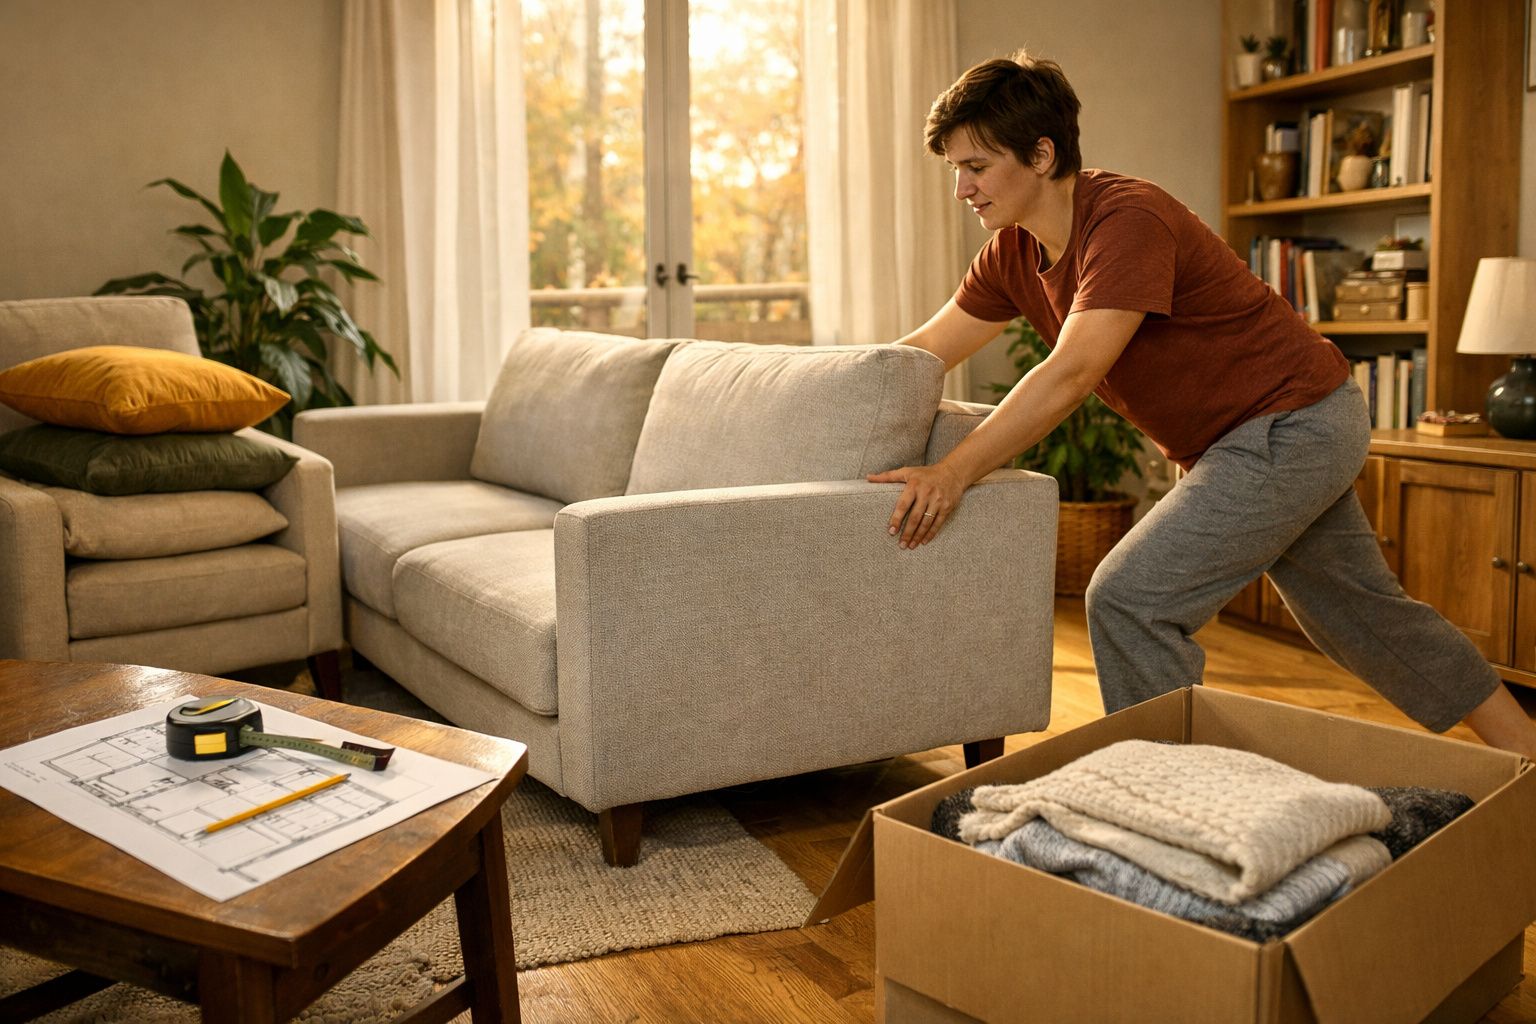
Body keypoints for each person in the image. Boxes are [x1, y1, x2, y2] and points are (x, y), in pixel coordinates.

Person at [870, 50, 1536, 758]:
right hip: (1252, 438)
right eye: (955, 170)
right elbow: (922, 353)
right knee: (1364, 617)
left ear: (1041, 154)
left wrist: (953, 472)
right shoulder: (1011, 254)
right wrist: (823, 381)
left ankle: (1181, 796)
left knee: (1132, 600)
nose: (961, 188)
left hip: (1293, 423)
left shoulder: (1126, 220)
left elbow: (1072, 371)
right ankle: (1526, 750)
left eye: (975, 166)